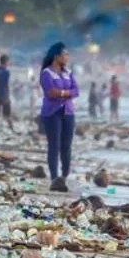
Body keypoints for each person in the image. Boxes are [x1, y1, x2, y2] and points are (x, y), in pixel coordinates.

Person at [39, 42, 79, 192]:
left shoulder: (68, 72)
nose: (67, 57)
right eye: (65, 54)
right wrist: (66, 93)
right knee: (54, 145)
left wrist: (62, 93)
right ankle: (54, 177)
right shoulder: (46, 73)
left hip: (68, 112)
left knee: (66, 146)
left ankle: (65, 175)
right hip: (51, 113)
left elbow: (76, 90)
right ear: (56, 56)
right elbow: (51, 92)